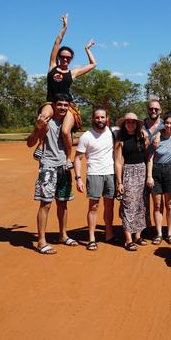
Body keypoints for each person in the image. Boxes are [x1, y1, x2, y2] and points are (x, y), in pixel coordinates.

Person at [34, 14, 96, 165]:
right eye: (63, 56)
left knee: (65, 132)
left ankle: (68, 158)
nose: (65, 59)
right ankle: (41, 144)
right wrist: (64, 28)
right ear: (59, 57)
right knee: (43, 119)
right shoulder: (52, 67)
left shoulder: (72, 73)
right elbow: (56, 43)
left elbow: (93, 64)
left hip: (67, 104)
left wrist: (87, 49)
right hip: (51, 102)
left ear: (71, 59)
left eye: (68, 57)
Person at [26, 94, 76, 254]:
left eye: (65, 105)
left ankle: (63, 235)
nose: (62, 108)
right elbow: (29, 143)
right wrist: (37, 127)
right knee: (45, 203)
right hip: (48, 166)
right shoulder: (46, 121)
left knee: (63, 202)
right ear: (53, 105)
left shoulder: (68, 122)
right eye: (59, 104)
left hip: (64, 167)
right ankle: (41, 241)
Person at [74, 107, 115, 251]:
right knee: (94, 206)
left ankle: (109, 233)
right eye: (97, 117)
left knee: (109, 206)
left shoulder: (112, 132)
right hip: (94, 174)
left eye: (102, 117)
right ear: (93, 119)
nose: (100, 120)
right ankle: (91, 238)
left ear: (107, 119)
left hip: (110, 173)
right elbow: (78, 158)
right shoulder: (86, 136)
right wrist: (78, 178)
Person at [114, 113, 149, 252]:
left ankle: (138, 235)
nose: (130, 124)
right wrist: (119, 182)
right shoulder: (120, 140)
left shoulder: (142, 137)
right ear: (124, 124)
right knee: (128, 204)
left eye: (133, 122)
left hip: (142, 171)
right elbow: (117, 162)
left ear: (137, 124)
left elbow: (146, 155)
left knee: (141, 204)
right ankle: (128, 239)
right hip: (128, 172)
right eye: (128, 122)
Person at [146, 113, 171, 245]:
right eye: (167, 123)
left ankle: (170, 233)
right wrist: (149, 176)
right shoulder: (156, 138)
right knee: (157, 205)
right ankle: (159, 233)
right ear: (163, 124)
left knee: (169, 205)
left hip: (170, 171)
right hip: (156, 170)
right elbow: (150, 158)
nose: (169, 125)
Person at [141, 99, 165, 226]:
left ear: (160, 111)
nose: (153, 111)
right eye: (151, 109)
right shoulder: (140, 125)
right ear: (147, 110)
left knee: (158, 200)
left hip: (160, 166)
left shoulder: (165, 125)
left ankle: (158, 228)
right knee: (143, 198)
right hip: (141, 166)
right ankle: (145, 225)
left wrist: (159, 133)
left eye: (156, 109)